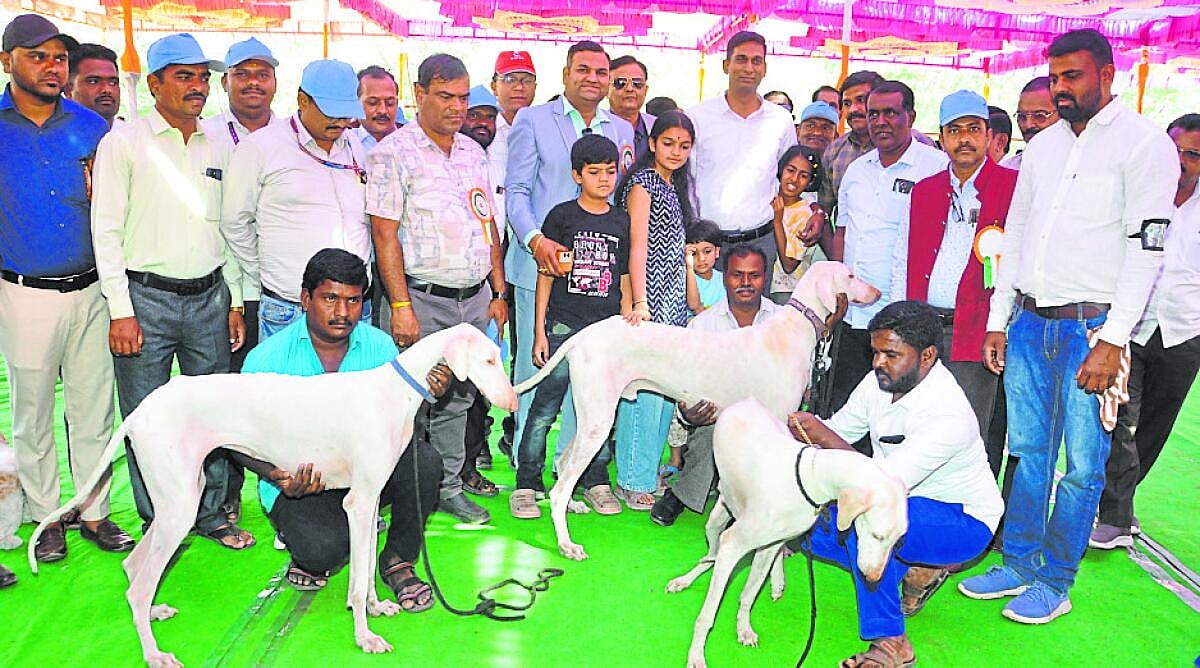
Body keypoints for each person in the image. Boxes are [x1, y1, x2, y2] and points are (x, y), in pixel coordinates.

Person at [958, 29, 1178, 625]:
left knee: (1083, 464)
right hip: (1030, 322)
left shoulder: (1144, 144)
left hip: (1094, 329)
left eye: (1072, 77)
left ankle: (1056, 581)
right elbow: (1019, 235)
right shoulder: (1044, 148)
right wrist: (1001, 319)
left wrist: (1114, 340)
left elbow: (1146, 250)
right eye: (1055, 77)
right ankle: (1021, 563)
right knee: (1029, 452)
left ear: (1108, 75)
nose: (1060, 89)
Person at [91, 32, 251, 549]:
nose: (197, 87)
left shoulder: (222, 143)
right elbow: (106, 231)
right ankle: (159, 521)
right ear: (154, 83)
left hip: (211, 298)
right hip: (144, 302)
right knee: (147, 418)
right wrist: (120, 310)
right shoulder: (124, 142)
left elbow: (230, 228)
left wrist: (236, 299)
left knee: (215, 414)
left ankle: (211, 515)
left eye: (202, 77)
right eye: (184, 76)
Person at [789, 300, 1002, 668]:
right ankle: (917, 568)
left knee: (866, 525)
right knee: (801, 529)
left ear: (927, 355)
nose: (877, 363)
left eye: (890, 354)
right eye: (875, 352)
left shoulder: (947, 412)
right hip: (902, 507)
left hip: (964, 523)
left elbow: (877, 488)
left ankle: (892, 644)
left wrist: (820, 433)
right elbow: (840, 431)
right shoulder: (879, 381)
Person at [0, 13, 135, 562]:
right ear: (7, 61)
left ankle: (95, 512)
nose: (51, 67)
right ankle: (47, 515)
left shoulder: (92, 127)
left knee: (93, 408)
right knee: (31, 411)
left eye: (58, 58)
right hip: (23, 291)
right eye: (38, 57)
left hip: (93, 290)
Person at [239, 248, 445, 608]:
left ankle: (398, 560)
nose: (342, 313)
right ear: (306, 299)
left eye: (353, 301)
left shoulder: (379, 348)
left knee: (423, 462)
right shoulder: (266, 359)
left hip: (363, 469)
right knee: (323, 554)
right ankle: (309, 547)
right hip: (298, 483)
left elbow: (397, 427)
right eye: (330, 298)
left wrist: (422, 395)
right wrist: (277, 476)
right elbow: (237, 438)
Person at [367, 54, 508, 525]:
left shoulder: (473, 152)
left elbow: (488, 229)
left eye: (463, 98)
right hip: (419, 299)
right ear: (420, 93)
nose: (456, 108)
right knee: (407, 400)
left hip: (472, 299)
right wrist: (401, 305)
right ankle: (400, 495)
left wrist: (499, 293)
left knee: (460, 397)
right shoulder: (391, 153)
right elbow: (384, 235)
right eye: (445, 96)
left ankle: (446, 487)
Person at [505, 40, 635, 469]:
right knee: (535, 371)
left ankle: (572, 469)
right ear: (566, 74)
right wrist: (536, 240)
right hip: (539, 269)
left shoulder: (620, 128)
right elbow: (517, 191)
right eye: (583, 70)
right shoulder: (533, 120)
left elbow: (617, 205)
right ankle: (527, 474)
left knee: (591, 379)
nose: (593, 79)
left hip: (596, 283)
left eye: (601, 72)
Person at [891, 89, 1018, 483]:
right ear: (941, 137)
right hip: (923, 329)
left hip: (976, 330)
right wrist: (899, 326)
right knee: (915, 425)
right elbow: (902, 256)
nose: (964, 138)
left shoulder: (1013, 187)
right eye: (954, 130)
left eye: (973, 129)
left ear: (989, 135)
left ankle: (966, 522)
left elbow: (1016, 264)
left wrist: (1002, 324)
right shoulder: (925, 189)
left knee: (969, 432)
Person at [1092, 113, 1200, 549]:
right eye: (1177, 151)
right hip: (1131, 325)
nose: (1184, 162)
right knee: (1121, 418)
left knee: (1155, 425)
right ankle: (1114, 517)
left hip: (1185, 329)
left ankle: (1121, 501)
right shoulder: (1134, 193)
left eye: (1194, 155)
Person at [510, 134, 629, 519]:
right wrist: (540, 331)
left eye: (611, 172)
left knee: (600, 411)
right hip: (563, 328)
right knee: (545, 407)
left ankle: (595, 480)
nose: (604, 180)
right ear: (576, 174)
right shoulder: (561, 217)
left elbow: (624, 276)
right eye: (594, 172)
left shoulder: (621, 220)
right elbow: (546, 275)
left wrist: (628, 319)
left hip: (607, 334)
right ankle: (527, 483)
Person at [222, 58, 372, 343]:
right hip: (290, 309)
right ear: (302, 100)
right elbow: (234, 223)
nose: (340, 122)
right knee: (287, 389)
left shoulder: (357, 149)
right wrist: (269, 271)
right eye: (331, 113)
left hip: (353, 310)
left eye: (345, 113)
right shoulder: (261, 148)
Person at [828, 80, 947, 430]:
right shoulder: (857, 170)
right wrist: (839, 293)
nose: (880, 121)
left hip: (904, 318)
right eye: (873, 113)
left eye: (891, 113)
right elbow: (842, 232)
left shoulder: (936, 167)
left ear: (911, 115)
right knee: (848, 409)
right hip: (854, 320)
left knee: (898, 415)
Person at [651, 247, 781, 526]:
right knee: (712, 426)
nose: (745, 283)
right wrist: (688, 414)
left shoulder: (782, 321)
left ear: (765, 278)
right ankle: (683, 493)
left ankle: (757, 505)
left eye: (754, 275)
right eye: (737, 275)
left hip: (770, 416)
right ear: (725, 278)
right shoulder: (701, 325)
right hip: (720, 415)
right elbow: (685, 386)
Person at [611, 109, 698, 510]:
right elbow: (636, 246)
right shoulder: (644, 184)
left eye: (684, 145)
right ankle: (631, 478)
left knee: (664, 391)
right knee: (642, 390)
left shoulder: (674, 184)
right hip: (651, 304)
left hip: (674, 302)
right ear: (651, 143)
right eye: (668, 143)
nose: (676, 151)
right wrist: (639, 302)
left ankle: (646, 470)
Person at [688, 31, 798, 287]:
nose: (749, 67)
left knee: (757, 323)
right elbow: (688, 179)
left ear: (764, 68)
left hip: (761, 241)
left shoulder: (780, 121)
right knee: (705, 321)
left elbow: (791, 178)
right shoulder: (698, 118)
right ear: (726, 65)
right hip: (709, 246)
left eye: (756, 61)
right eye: (741, 59)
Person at [817, 71, 935, 256]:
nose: (853, 109)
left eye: (860, 100)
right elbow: (825, 213)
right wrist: (838, 263)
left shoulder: (924, 150)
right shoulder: (835, 152)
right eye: (847, 103)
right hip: (854, 273)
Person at [456, 83, 503, 499]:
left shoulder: (485, 159)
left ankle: (469, 464)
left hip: (484, 287)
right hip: (433, 290)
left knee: (475, 385)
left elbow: (491, 233)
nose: (481, 123)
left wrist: (498, 293)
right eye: (475, 114)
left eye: (489, 116)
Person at [768, 145, 823, 305]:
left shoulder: (805, 214)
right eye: (790, 170)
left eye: (803, 175)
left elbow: (789, 264)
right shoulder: (768, 197)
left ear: (810, 181)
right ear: (781, 169)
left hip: (788, 290)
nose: (794, 179)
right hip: (764, 284)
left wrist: (777, 222)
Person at [1002, 76, 1056, 170]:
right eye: (1022, 116)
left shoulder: (1080, 166)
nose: (1028, 125)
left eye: (1040, 116)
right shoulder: (1009, 169)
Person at [607, 55, 655, 158]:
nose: (629, 89)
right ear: (607, 89)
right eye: (621, 83)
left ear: (646, 90)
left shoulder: (657, 127)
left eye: (637, 83)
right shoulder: (595, 128)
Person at [65, 42, 120, 128]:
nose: (107, 89)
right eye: (93, 81)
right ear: (68, 90)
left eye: (113, 82)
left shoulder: (136, 137)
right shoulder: (52, 137)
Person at [354, 65, 404, 150]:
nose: (383, 111)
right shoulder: (344, 143)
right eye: (373, 103)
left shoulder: (413, 141)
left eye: (390, 103)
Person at [684, 219, 726, 314]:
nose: (701, 259)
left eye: (707, 251)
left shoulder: (724, 279)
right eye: (694, 253)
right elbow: (694, 306)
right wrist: (689, 268)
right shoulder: (688, 280)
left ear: (717, 251)